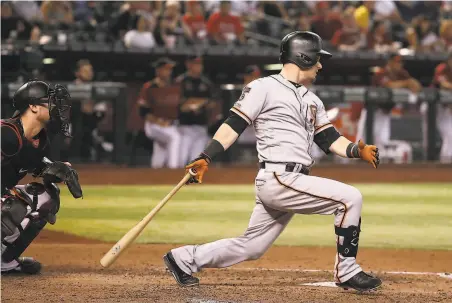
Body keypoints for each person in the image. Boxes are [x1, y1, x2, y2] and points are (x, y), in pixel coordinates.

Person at [163, 31, 382, 292]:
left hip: (290, 180)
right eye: (317, 58)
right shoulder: (263, 87)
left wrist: (358, 151)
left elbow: (329, 140)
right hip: (280, 178)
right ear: (303, 56)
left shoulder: (313, 100)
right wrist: (206, 155)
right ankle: (347, 271)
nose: (321, 65)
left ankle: (183, 258)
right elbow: (234, 124)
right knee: (350, 198)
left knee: (252, 246)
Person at [1, 80, 82, 275]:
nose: (57, 108)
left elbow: (36, 165)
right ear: (33, 107)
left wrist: (56, 169)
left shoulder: (39, 140)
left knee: (46, 197)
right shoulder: (6, 134)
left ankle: (4, 261)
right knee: (13, 205)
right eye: (51, 102)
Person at [137, 57, 181, 168]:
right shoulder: (149, 87)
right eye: (166, 69)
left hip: (169, 124)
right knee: (174, 138)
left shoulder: (174, 86)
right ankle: (173, 170)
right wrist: (158, 122)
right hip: (154, 125)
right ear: (158, 71)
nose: (169, 72)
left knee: (161, 149)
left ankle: (156, 175)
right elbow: (143, 111)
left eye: (170, 69)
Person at [176, 55, 218, 166]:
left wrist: (198, 103)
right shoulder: (181, 81)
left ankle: (191, 182)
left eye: (200, 64)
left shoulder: (206, 82)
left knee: (196, 161)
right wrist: (197, 102)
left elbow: (213, 102)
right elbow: (178, 104)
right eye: (195, 63)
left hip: (201, 126)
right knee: (181, 159)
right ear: (188, 64)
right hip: (184, 127)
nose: (198, 66)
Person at [427, 52, 452, 163]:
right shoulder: (442, 68)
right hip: (433, 106)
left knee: (449, 134)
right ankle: (430, 163)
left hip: (446, 108)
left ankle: (445, 162)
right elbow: (444, 84)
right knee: (430, 136)